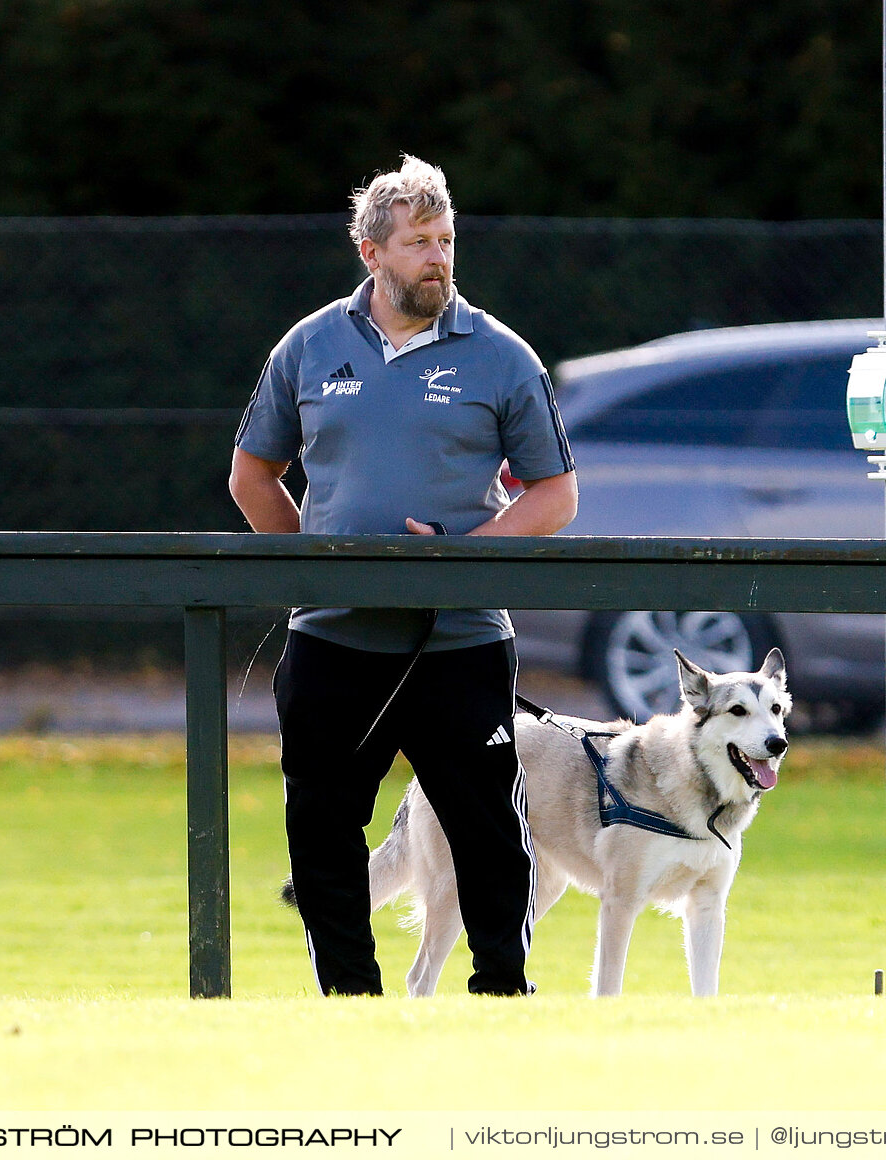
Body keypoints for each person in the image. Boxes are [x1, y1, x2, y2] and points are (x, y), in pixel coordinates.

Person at [230, 156, 578, 996]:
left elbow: (556, 494)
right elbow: (252, 475)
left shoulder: (500, 355)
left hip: (459, 638)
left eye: (447, 240)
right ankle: (351, 1001)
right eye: (419, 242)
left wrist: (469, 558)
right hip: (333, 637)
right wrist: (315, 568)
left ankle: (502, 990)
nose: (439, 257)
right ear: (371, 251)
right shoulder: (308, 346)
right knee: (320, 827)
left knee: (489, 828)